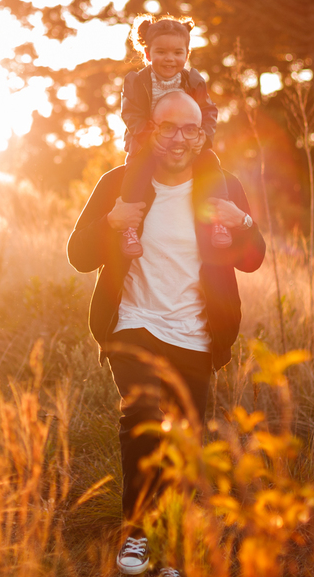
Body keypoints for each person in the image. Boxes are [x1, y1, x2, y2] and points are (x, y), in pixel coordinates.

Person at [67, 91, 266, 576]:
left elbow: (252, 259)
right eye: (168, 128)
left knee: (184, 442)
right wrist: (109, 222)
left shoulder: (224, 187)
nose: (179, 139)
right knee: (142, 416)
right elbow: (79, 256)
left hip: (195, 333)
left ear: (202, 135)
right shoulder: (118, 183)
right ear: (150, 130)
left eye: (189, 130)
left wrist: (242, 222)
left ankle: (171, 543)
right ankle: (135, 533)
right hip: (133, 321)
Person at [118, 16, 231, 259]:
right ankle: (128, 229)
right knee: (135, 171)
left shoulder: (192, 80)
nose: (170, 58)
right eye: (161, 52)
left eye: (178, 52)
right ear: (147, 54)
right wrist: (149, 138)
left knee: (210, 163)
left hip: (186, 143)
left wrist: (204, 138)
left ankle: (219, 220)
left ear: (187, 53)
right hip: (146, 143)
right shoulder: (137, 82)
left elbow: (208, 111)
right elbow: (131, 114)